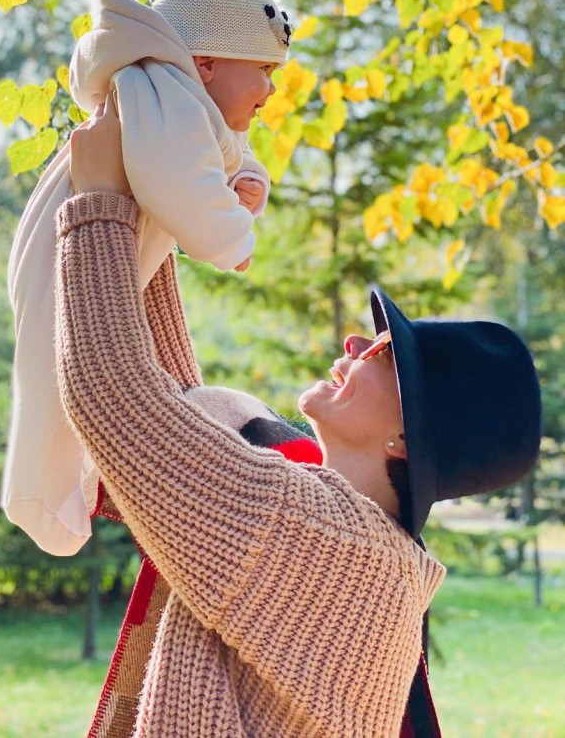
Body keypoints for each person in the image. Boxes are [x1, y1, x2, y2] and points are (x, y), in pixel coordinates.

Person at [52, 100, 542, 738]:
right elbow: (175, 421)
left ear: (404, 439)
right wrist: (160, 205)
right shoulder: (357, 542)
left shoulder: (319, 536)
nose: (353, 345)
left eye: (385, 354)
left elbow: (116, 396)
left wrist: (99, 202)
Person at [2, 0, 292, 555]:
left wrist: (244, 183)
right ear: (207, 62)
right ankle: (39, 491)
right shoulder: (159, 89)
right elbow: (173, 178)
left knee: (66, 363)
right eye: (263, 71)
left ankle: (70, 479)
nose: (270, 91)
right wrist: (229, 237)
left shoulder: (180, 100)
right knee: (54, 373)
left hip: (85, 243)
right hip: (65, 247)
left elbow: (220, 159)